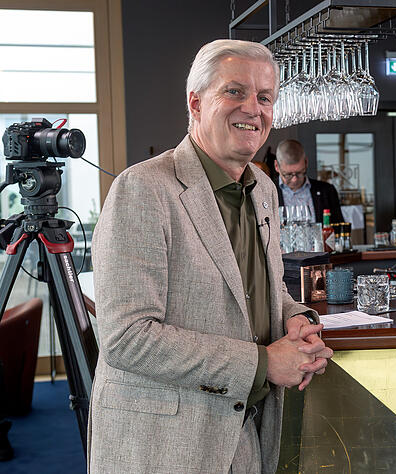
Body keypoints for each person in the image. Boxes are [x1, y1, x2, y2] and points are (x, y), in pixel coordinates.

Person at [89, 39, 333, 473]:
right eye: (235, 92)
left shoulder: (263, 190)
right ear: (196, 102)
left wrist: (297, 316)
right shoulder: (143, 189)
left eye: (264, 97)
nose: (253, 109)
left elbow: (264, 288)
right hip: (168, 445)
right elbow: (126, 338)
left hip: (250, 431)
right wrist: (262, 363)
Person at [274, 139, 344, 224]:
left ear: (306, 162)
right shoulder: (267, 192)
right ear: (277, 166)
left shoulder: (327, 191)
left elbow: (338, 228)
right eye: (288, 175)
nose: (294, 179)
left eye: (300, 173)